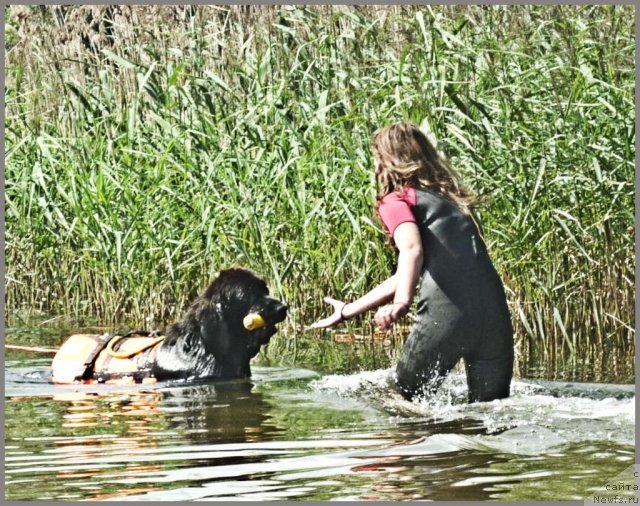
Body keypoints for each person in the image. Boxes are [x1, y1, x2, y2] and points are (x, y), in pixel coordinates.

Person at [311, 121, 514, 403]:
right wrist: (349, 310)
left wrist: (401, 304)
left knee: (401, 402)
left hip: (446, 313)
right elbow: (418, 266)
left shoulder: (397, 200)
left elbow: (411, 251)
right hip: (494, 314)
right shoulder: (454, 202)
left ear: (386, 160)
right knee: (490, 413)